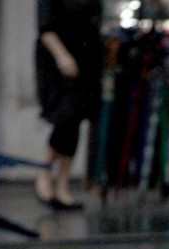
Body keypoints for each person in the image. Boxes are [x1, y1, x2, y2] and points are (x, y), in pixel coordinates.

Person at [34, 0, 103, 210]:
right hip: (59, 60)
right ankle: (44, 173)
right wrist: (62, 56)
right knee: (65, 118)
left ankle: (62, 184)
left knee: (77, 119)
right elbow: (45, 29)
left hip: (86, 58)